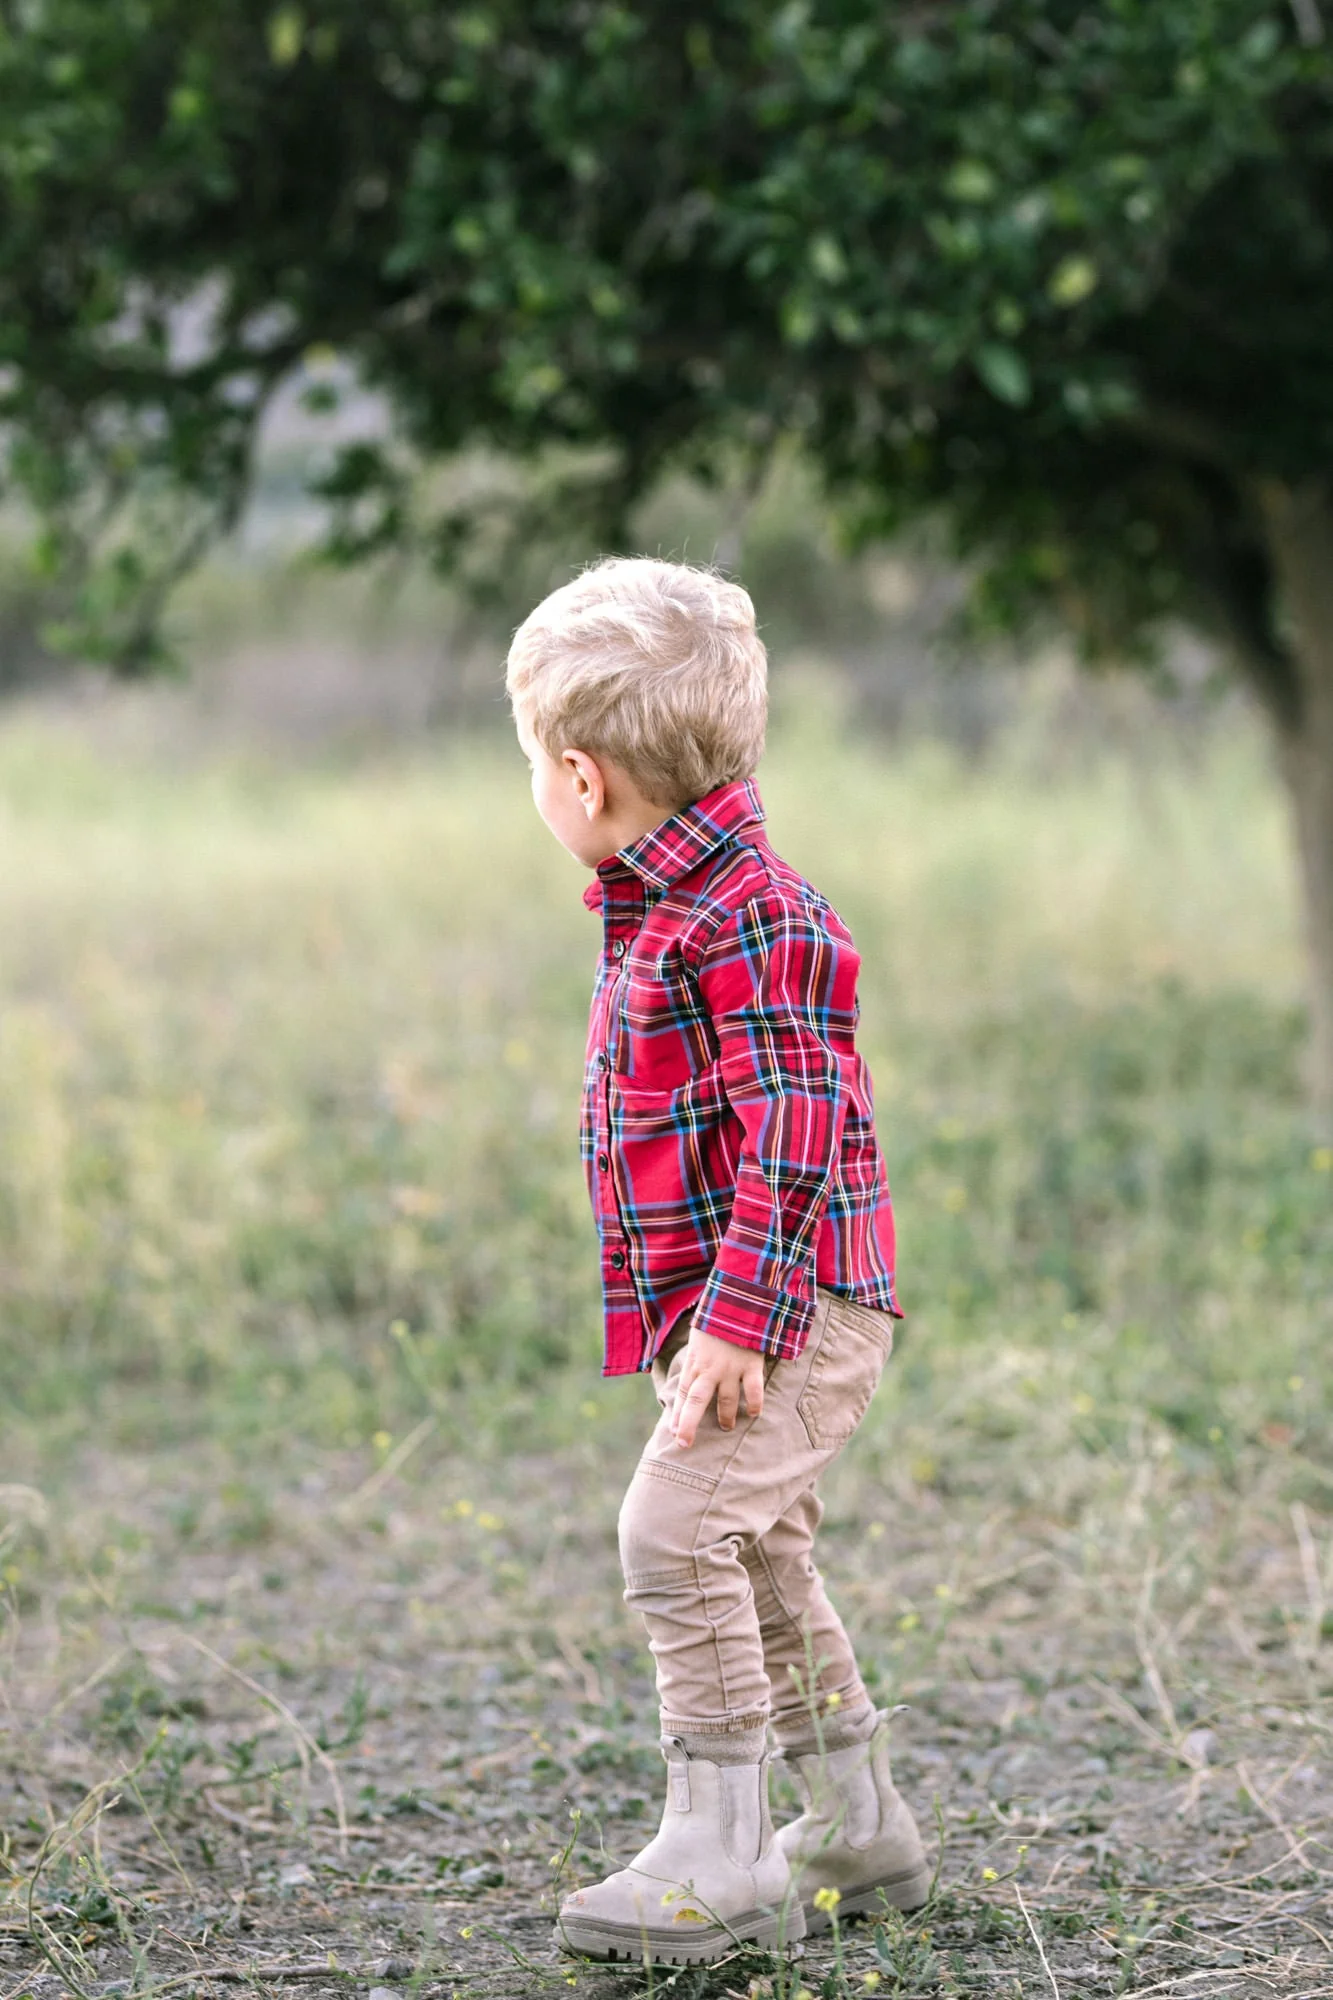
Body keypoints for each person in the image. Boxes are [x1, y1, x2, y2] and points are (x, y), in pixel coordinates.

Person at [507, 558, 931, 1966]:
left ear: (581, 778)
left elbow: (801, 1123)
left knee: (674, 1533)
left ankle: (722, 1850)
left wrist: (742, 1326)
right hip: (741, 1310)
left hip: (793, 1310)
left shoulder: (752, 912)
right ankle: (856, 1827)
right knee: (756, 1555)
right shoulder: (666, 902)